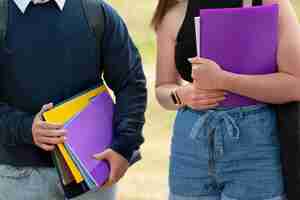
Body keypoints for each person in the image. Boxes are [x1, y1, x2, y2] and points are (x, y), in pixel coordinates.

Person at [152, 0, 300, 199]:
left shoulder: (272, 3)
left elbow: (295, 84)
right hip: (190, 146)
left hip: (255, 146)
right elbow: (163, 88)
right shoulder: (175, 9)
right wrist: (182, 95)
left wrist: (224, 80)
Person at [0, 0, 147, 199]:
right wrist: (27, 128)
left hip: (92, 173)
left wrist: (124, 146)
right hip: (18, 177)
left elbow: (131, 82)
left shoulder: (97, 12)